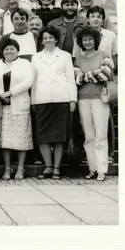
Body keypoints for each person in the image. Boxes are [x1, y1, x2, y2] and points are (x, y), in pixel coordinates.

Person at [31, 25, 77, 180]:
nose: (48, 40)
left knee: (59, 136)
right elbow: (34, 81)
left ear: (56, 39)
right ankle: (48, 166)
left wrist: (73, 100)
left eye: (51, 37)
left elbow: (70, 78)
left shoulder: (65, 56)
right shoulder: (36, 57)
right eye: (45, 38)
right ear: (41, 41)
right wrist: (33, 102)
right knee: (42, 136)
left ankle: (57, 167)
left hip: (61, 99)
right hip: (41, 99)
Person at [0, 38, 34, 180]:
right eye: (6, 49)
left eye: (12, 49)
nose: (9, 51)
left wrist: (10, 93)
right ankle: (7, 168)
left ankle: (20, 168)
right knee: (4, 140)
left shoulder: (25, 64)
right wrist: (1, 95)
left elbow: (28, 81)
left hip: (19, 104)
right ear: (2, 51)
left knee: (21, 138)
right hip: (2, 106)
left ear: (17, 50)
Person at [74, 26, 114, 181]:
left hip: (100, 99)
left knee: (101, 135)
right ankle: (93, 169)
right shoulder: (78, 58)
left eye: (90, 39)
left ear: (95, 40)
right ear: (81, 42)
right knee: (89, 136)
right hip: (83, 99)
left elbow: (105, 75)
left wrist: (85, 76)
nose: (88, 42)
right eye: (85, 39)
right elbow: (76, 79)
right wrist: (92, 75)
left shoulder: (104, 54)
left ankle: (102, 169)